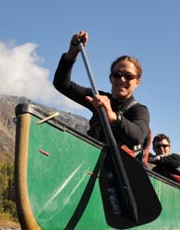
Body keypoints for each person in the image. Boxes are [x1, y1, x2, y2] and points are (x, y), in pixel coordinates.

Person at [53, 30, 151, 161]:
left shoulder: (139, 110)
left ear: (137, 82)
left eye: (129, 76)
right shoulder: (98, 98)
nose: (122, 80)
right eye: (117, 75)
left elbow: (138, 136)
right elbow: (62, 84)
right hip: (89, 162)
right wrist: (72, 52)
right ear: (110, 78)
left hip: (118, 172)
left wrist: (114, 117)